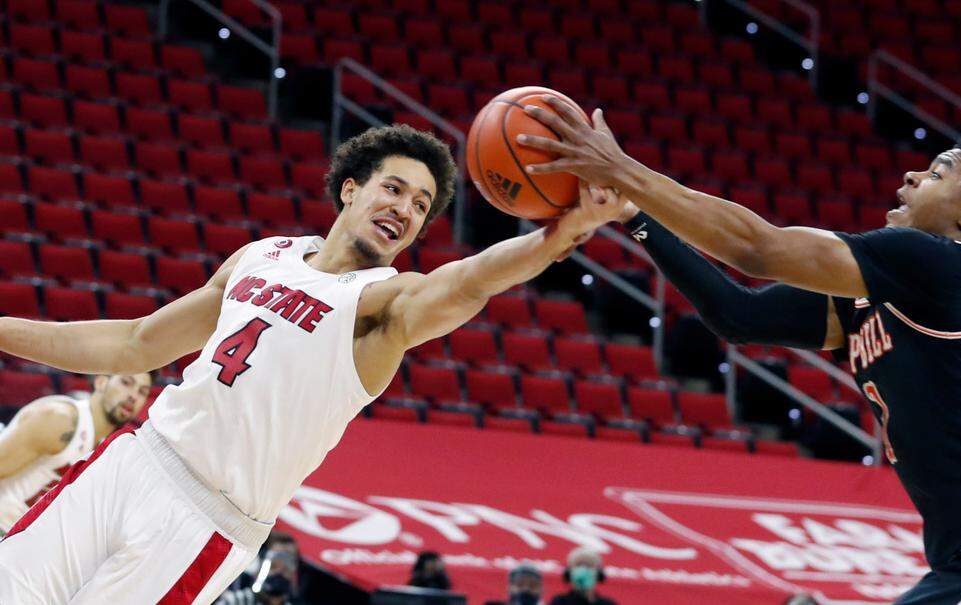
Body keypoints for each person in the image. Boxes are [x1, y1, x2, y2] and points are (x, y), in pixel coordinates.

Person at [0, 124, 627, 603]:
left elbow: (469, 282)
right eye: (395, 188)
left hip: (201, 520)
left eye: (421, 205)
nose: (406, 209)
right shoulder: (263, 256)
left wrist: (567, 228)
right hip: (134, 459)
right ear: (350, 189)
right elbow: (136, 343)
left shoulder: (380, 309)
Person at [518, 102, 961, 604]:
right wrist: (635, 216)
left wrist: (619, 169)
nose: (912, 174)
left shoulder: (947, 264)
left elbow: (758, 248)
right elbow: (738, 315)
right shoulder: (873, 295)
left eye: (939, 172)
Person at [0, 372, 151, 534]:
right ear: (100, 382)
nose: (133, 396)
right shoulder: (61, 419)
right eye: (126, 382)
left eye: (142, 392)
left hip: (18, 541)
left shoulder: (105, 448)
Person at [214, 531, 308, 605]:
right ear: (261, 566)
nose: (280, 572)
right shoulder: (236, 601)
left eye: (287, 567)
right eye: (274, 565)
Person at [549, 547, 615, 605]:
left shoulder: (608, 603)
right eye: (578, 565)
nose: (583, 569)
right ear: (569, 572)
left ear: (599, 574)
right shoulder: (559, 602)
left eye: (589, 565)